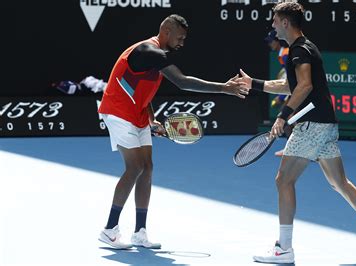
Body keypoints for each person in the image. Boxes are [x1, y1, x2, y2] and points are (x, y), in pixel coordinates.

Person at [237, 2, 356, 263]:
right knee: (339, 183)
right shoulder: (302, 48)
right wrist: (252, 83)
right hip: (326, 125)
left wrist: (282, 116)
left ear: (286, 22)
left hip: (312, 125)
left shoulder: (299, 50)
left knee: (283, 180)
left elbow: (305, 86)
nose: (273, 25)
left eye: (275, 20)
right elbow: (289, 85)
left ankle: (284, 249)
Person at [97, 14, 248, 249]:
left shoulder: (155, 57)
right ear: (166, 31)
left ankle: (140, 232)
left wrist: (152, 119)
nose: (182, 43)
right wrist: (224, 89)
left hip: (137, 113)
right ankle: (109, 229)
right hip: (117, 112)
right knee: (135, 167)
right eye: (180, 38)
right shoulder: (149, 51)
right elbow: (183, 82)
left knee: (147, 168)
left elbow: (139, 89)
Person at [264, 29, 290, 157]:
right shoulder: (283, 53)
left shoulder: (285, 54)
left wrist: (281, 96)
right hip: (293, 90)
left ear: (277, 41)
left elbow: (291, 78)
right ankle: (293, 148)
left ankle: (293, 149)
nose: (270, 44)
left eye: (271, 41)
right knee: (289, 118)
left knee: (286, 117)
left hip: (295, 91)